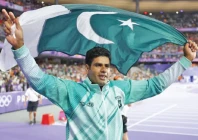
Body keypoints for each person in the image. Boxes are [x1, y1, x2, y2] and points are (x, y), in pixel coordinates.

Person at [2, 9, 198, 140]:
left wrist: (185, 61)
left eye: (107, 65)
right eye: (98, 65)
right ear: (87, 68)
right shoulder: (71, 91)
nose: (104, 69)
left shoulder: (121, 89)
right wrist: (20, 48)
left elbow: (155, 85)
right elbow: (39, 80)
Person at [114, 76, 131, 140]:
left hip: (120, 116)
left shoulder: (117, 91)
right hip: (119, 116)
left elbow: (130, 104)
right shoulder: (120, 91)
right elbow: (130, 104)